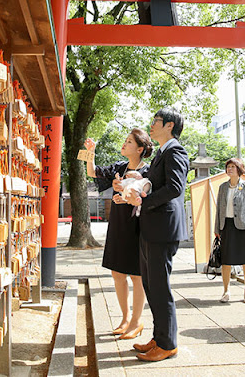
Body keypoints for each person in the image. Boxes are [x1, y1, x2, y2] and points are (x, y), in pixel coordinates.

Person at [126, 108, 189, 362]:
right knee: (151, 284)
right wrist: (137, 179)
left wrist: (145, 200)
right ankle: (159, 336)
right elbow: (155, 181)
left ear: (169, 126)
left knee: (160, 287)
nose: (152, 125)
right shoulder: (162, 153)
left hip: (163, 228)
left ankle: (168, 344)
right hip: (152, 226)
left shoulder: (176, 151)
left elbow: (174, 188)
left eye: (156, 122)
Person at [85, 128, 153, 340]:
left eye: (129, 142)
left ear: (140, 149)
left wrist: (128, 196)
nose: (124, 144)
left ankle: (136, 320)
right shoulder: (119, 168)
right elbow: (92, 172)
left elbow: (149, 197)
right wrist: (91, 152)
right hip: (118, 223)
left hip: (138, 225)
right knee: (117, 273)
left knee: (137, 275)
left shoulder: (149, 171)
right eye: (125, 140)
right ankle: (124, 318)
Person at [214, 158, 245, 304]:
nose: (230, 169)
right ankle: (226, 291)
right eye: (228, 167)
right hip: (226, 226)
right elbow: (218, 210)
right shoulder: (222, 187)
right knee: (226, 261)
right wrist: (217, 228)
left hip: (243, 227)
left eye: (233, 167)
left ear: (239, 169)